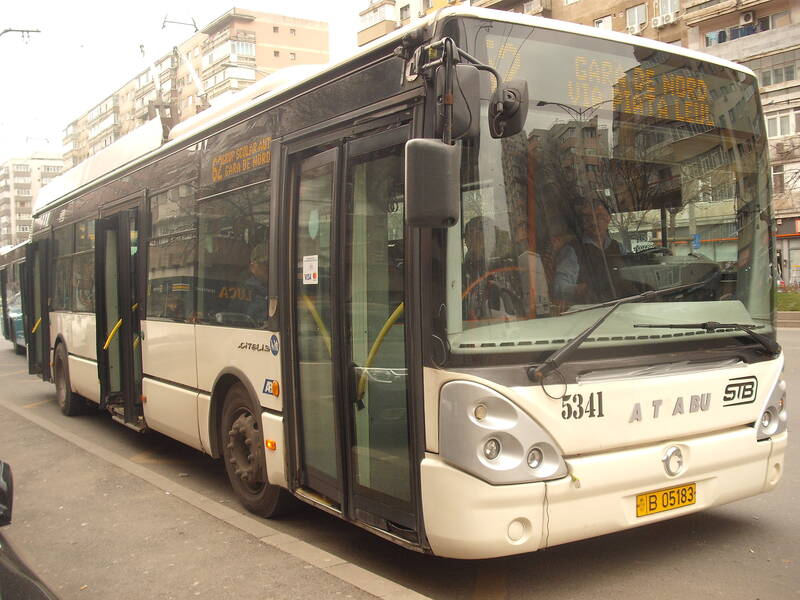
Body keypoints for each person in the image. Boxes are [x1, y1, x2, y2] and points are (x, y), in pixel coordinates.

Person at [553, 199, 626, 307]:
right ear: (582, 222)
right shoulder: (573, 250)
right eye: (588, 218)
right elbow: (559, 287)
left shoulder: (619, 248)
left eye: (600, 216)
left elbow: (632, 275)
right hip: (589, 311)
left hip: (623, 307)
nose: (594, 222)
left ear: (608, 219)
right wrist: (578, 290)